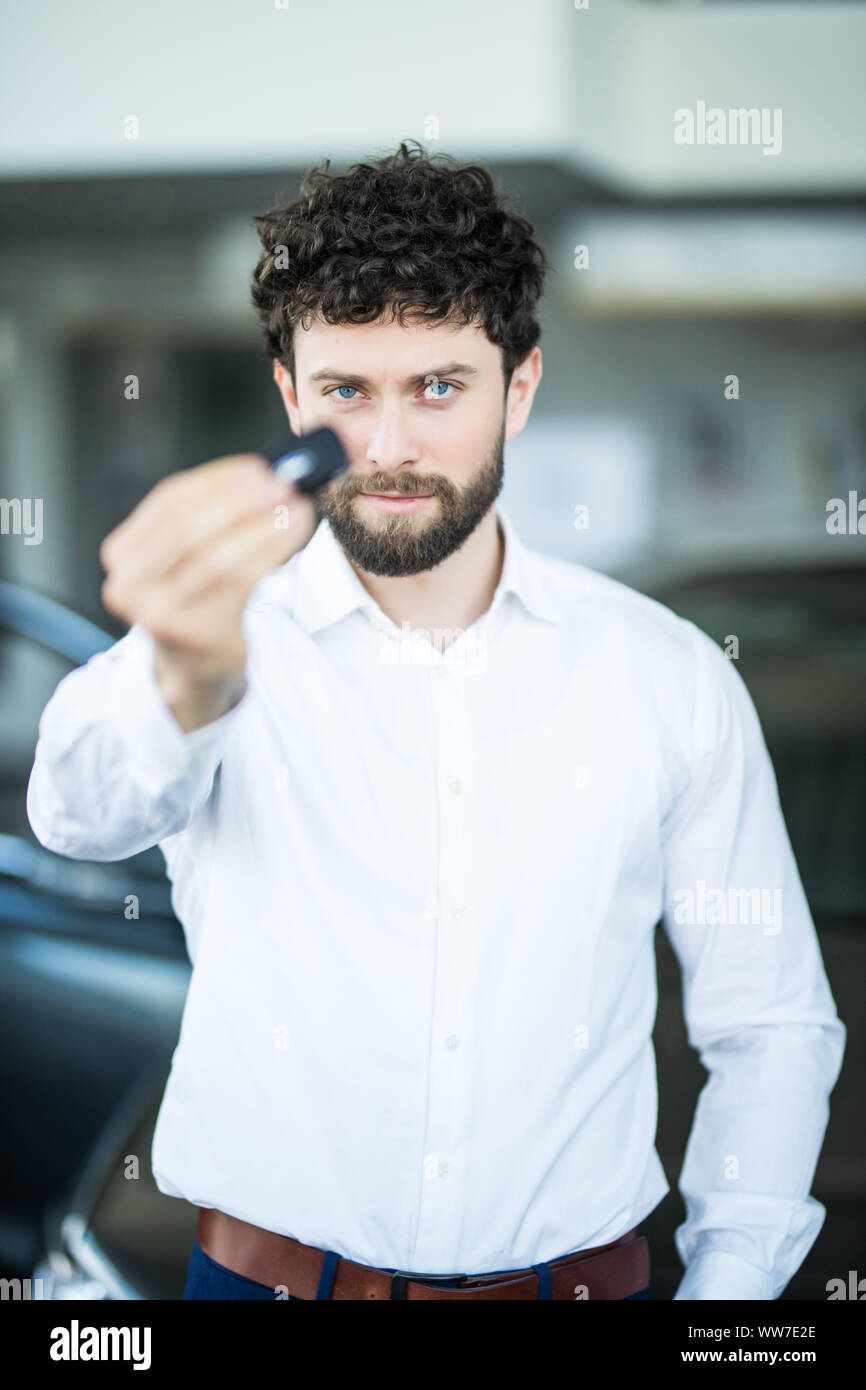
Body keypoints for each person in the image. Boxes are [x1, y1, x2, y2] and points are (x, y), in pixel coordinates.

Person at [26, 141, 845, 1301]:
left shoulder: (666, 676)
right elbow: (76, 810)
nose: (394, 448)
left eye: (440, 387)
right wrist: (184, 670)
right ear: (289, 396)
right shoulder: (209, 641)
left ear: (518, 387)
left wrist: (725, 1307)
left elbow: (768, 1027)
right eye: (348, 391)